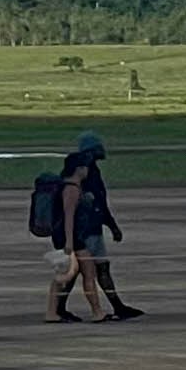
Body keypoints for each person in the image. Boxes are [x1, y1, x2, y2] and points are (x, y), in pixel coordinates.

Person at [52, 131, 141, 322]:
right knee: (85, 271)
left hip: (93, 229)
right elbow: (93, 204)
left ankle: (114, 305)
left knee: (97, 269)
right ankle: (65, 308)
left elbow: (100, 204)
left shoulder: (89, 171)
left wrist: (111, 225)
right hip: (85, 232)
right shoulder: (83, 175)